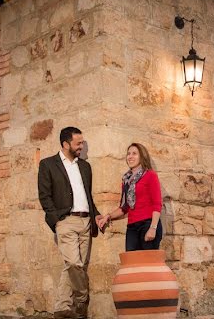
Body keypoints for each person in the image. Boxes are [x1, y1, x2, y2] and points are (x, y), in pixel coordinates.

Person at [38, 126, 102, 319]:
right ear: (66, 144)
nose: (81, 146)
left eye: (82, 143)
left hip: (86, 221)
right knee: (74, 263)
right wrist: (56, 219)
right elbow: (44, 195)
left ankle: (62, 308)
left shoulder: (85, 166)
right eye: (78, 143)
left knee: (74, 266)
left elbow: (87, 196)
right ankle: (82, 301)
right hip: (65, 221)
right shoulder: (48, 164)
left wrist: (96, 214)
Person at [96, 142, 163, 251]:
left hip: (148, 224)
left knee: (147, 266)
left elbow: (157, 204)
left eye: (134, 154)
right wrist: (108, 216)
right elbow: (124, 207)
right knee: (131, 264)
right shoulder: (126, 180)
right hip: (132, 227)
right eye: (128, 154)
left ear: (142, 156)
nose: (130, 157)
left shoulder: (150, 175)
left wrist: (153, 228)